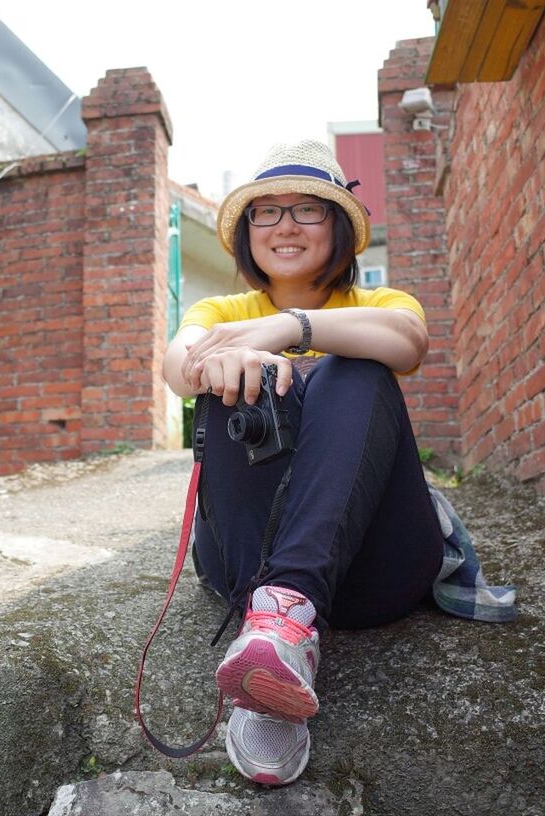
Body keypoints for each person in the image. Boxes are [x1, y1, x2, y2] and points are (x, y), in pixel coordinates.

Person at [162, 139, 446, 786]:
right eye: (267, 211)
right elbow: (177, 366)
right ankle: (270, 646)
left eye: (308, 209)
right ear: (248, 232)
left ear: (339, 225)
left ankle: (287, 613)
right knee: (236, 380)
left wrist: (295, 330)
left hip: (377, 570)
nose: (285, 224)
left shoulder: (378, 304)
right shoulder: (221, 313)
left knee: (357, 367)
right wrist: (225, 360)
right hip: (244, 559)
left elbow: (409, 344)